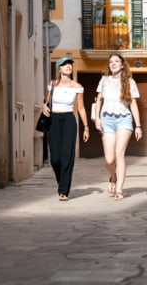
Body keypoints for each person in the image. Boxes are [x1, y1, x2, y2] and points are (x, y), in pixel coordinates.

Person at [93, 53, 142, 200]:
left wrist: (138, 125)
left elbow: (133, 104)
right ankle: (113, 177)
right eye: (110, 62)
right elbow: (98, 100)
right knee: (109, 160)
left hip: (124, 120)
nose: (113, 64)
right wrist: (97, 119)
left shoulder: (129, 82)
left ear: (122, 65)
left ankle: (119, 189)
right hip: (106, 119)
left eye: (116, 61)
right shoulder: (104, 80)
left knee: (119, 154)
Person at [41, 57, 89, 201]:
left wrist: (86, 127)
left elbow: (81, 108)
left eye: (70, 64)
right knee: (55, 159)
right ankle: (62, 182)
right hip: (54, 120)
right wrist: (44, 106)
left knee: (67, 157)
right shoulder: (53, 84)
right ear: (59, 69)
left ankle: (64, 191)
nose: (68, 66)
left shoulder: (77, 86)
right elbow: (46, 102)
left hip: (69, 120)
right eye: (64, 64)